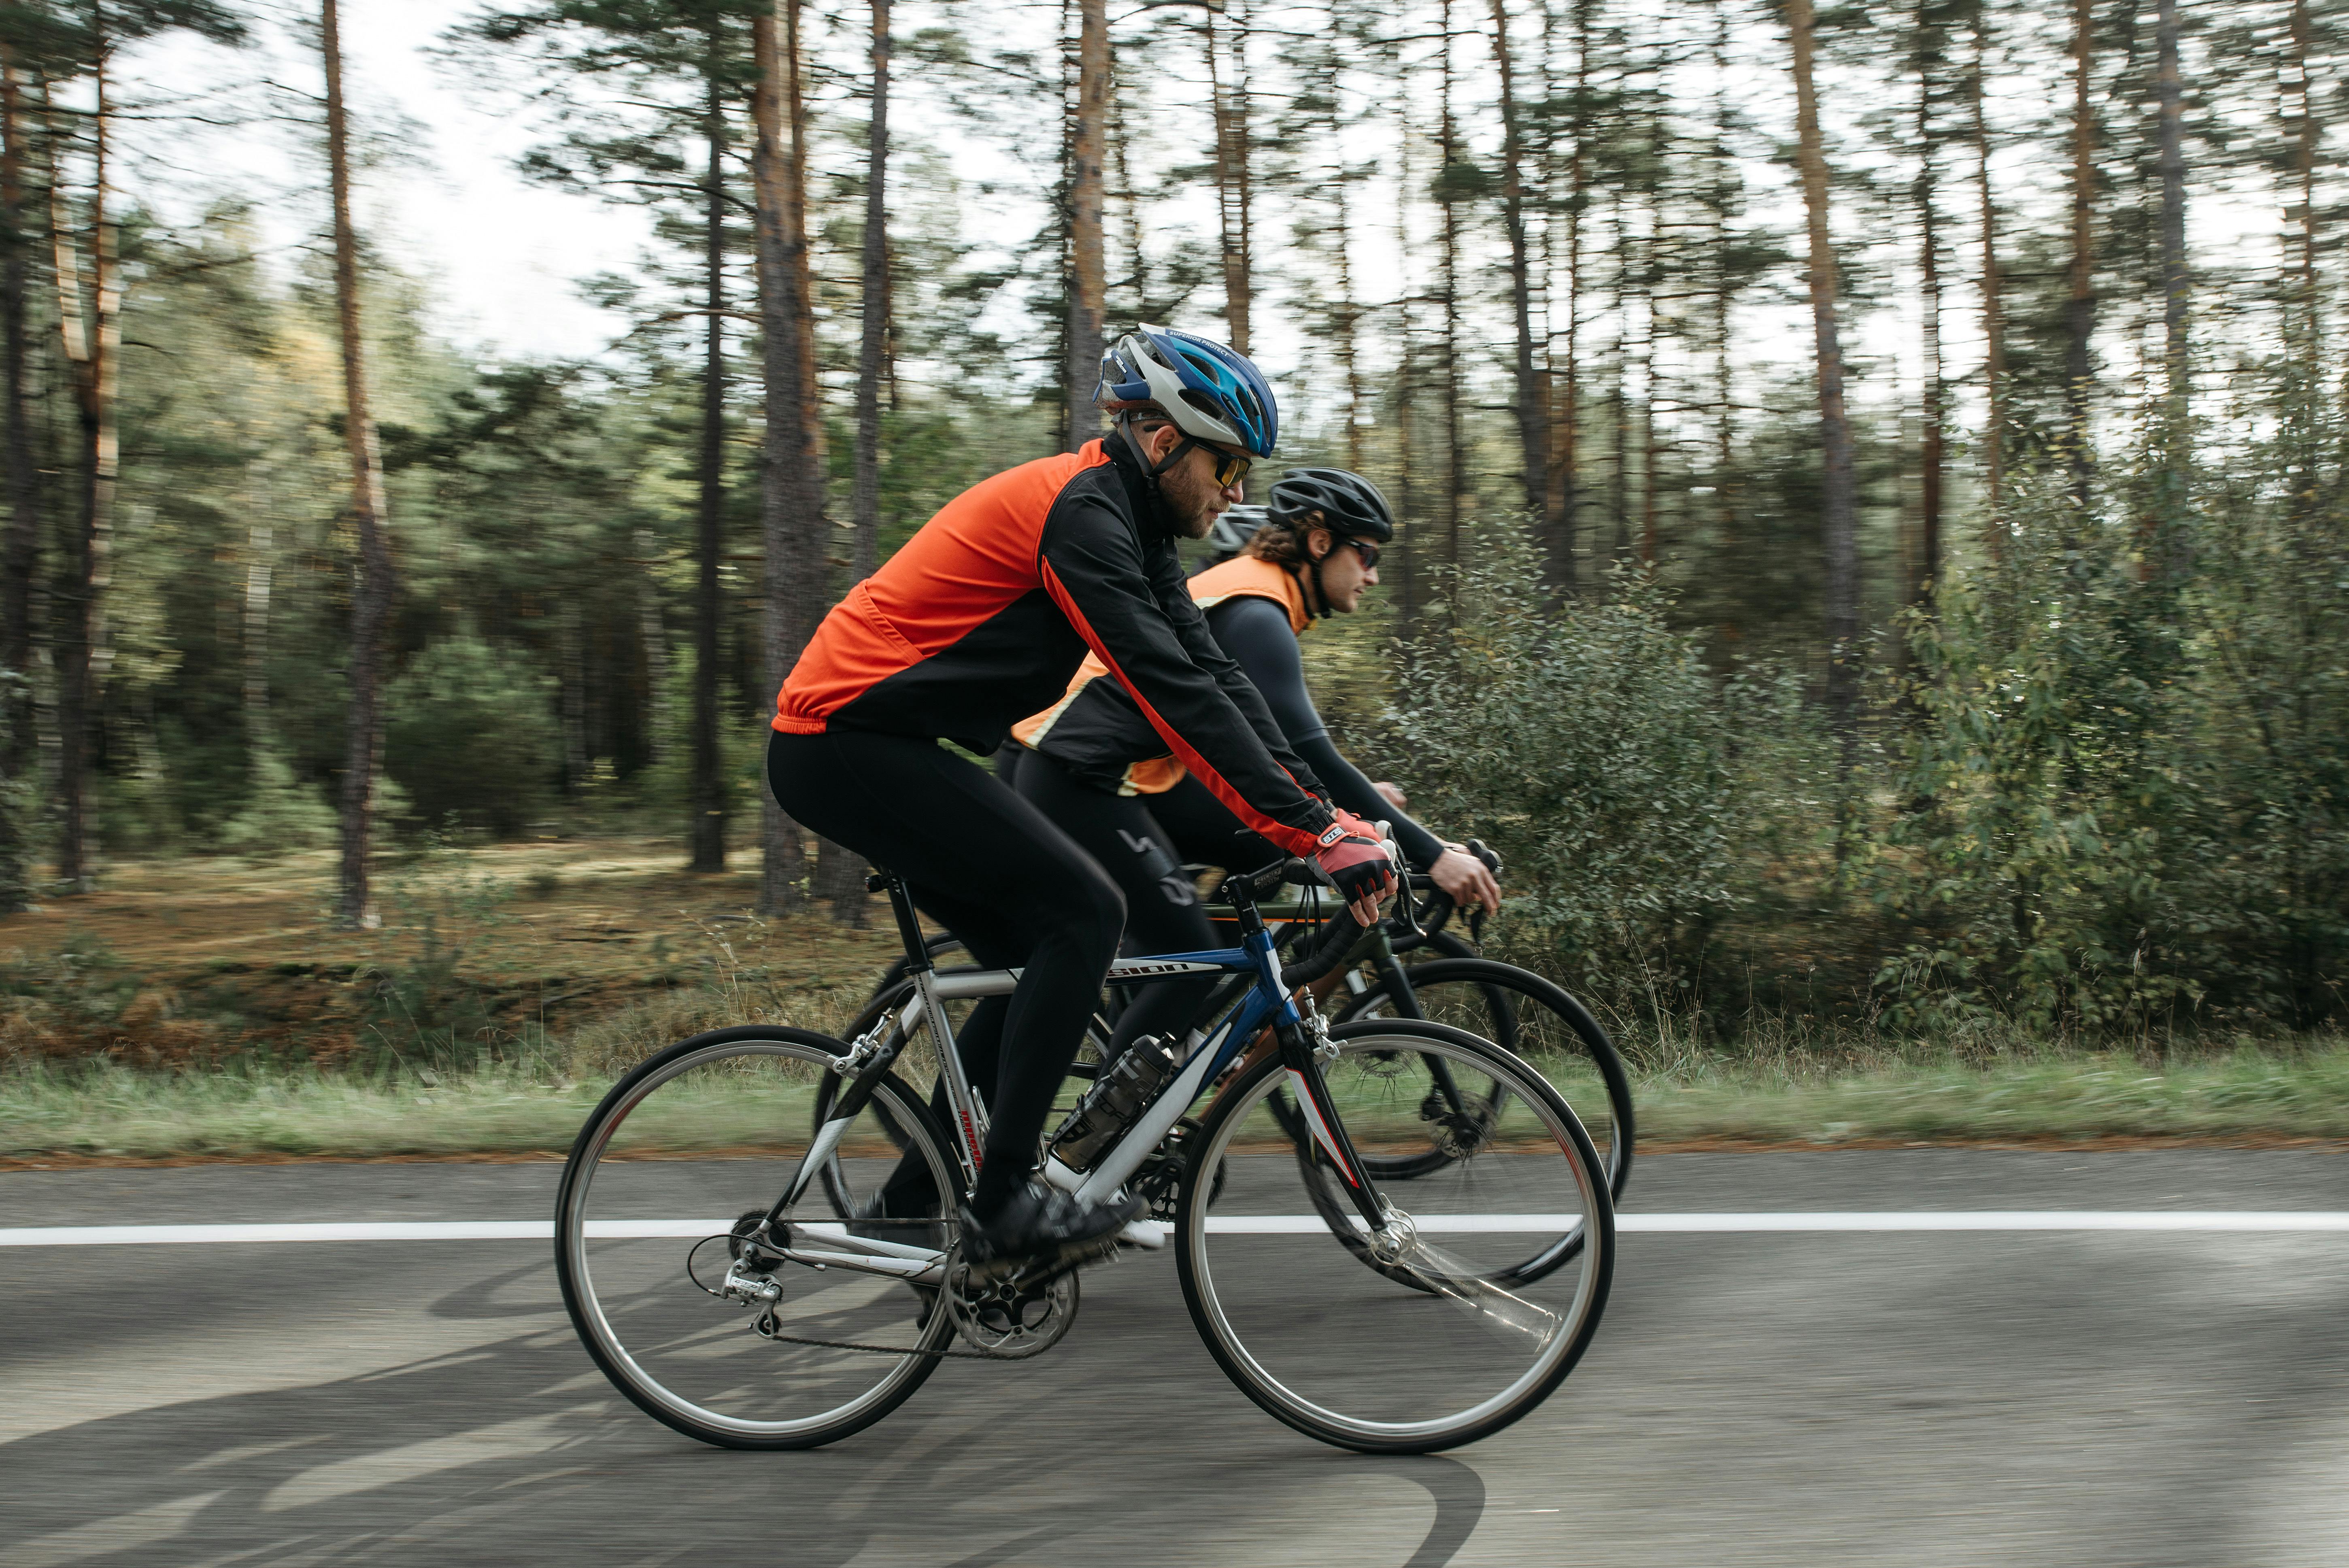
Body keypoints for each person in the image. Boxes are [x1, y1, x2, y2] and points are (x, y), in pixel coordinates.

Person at [765, 325, 1396, 1269]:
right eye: (1226, 467)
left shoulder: (1126, 522)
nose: (1235, 493)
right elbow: (1164, 688)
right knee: (1086, 911)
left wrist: (1326, 819)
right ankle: (1005, 1205)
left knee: (1028, 957)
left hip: (882, 739)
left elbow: (1214, 675)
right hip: (839, 736)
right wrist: (1311, 829)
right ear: (1162, 440)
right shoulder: (1081, 513)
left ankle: (909, 1204)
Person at [1005, 466, 1502, 1058]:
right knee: (1189, 951)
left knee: (1255, 861)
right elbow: (1308, 748)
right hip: (1076, 772)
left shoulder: (1256, 597)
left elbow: (1278, 750)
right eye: (1366, 553)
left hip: (1098, 769)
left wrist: (1346, 808)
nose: (1372, 575)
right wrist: (1436, 855)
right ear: (1320, 543)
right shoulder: (1256, 612)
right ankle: (1117, 1131)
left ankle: (1190, 1022)